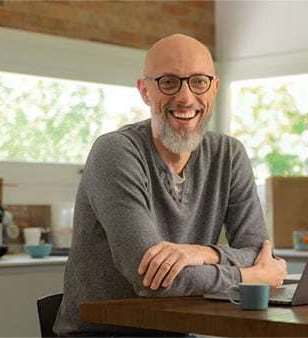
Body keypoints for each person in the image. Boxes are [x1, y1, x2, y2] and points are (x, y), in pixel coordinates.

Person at [53, 34, 287, 337]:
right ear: (145, 91)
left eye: (199, 82)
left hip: (177, 330)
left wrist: (199, 253)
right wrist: (249, 276)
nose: (186, 97)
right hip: (102, 333)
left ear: (214, 89)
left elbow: (260, 252)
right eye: (168, 82)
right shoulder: (115, 152)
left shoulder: (229, 154)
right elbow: (152, 282)